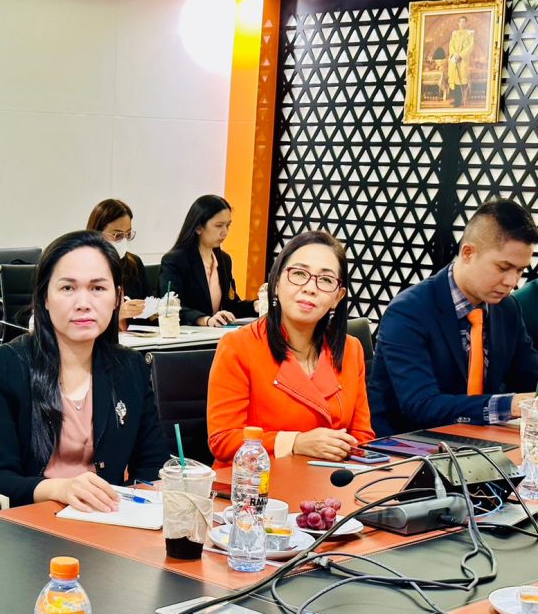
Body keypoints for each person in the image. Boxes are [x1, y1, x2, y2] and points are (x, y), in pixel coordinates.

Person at [0, 229, 168, 511]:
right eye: (67, 288)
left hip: (108, 522)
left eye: (98, 288)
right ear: (45, 297)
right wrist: (61, 489)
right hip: (31, 523)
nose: (83, 304)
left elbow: (153, 464)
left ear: (117, 298)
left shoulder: (130, 367)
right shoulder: (6, 366)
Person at [369, 199, 538, 436]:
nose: (512, 281)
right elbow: (420, 404)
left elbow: (530, 373)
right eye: (503, 268)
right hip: (407, 444)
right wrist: (510, 405)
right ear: (468, 253)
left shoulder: (507, 308)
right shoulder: (408, 311)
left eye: (520, 270)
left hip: (479, 440)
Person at [207, 230, 373, 465]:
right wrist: (295, 443)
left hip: (329, 479)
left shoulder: (351, 349)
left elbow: (362, 437)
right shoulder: (238, 346)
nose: (310, 288)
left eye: (326, 280)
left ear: (338, 297)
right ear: (275, 283)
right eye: (299, 274)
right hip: (255, 482)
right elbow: (223, 440)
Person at [160, 195, 257, 327]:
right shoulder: (175, 260)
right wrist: (205, 320)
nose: (225, 232)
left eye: (228, 225)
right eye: (218, 226)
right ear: (198, 227)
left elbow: (231, 306)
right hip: (190, 334)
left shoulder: (224, 260)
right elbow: (171, 307)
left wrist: (256, 305)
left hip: (216, 333)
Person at [86, 199, 148, 328]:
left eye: (128, 234)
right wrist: (117, 315)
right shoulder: (83, 266)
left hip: (134, 337)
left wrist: (159, 310)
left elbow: (147, 314)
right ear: (97, 233)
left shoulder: (133, 264)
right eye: (117, 235)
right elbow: (83, 317)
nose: (123, 241)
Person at [447, 15, 474, 107]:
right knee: (454, 79)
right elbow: (451, 45)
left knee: (461, 80)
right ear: (458, 23)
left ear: (466, 23)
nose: (461, 24)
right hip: (454, 59)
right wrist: (455, 55)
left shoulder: (469, 34)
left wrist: (461, 55)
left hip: (463, 60)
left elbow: (470, 46)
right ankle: (456, 99)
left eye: (463, 22)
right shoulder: (454, 34)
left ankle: (459, 100)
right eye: (460, 22)